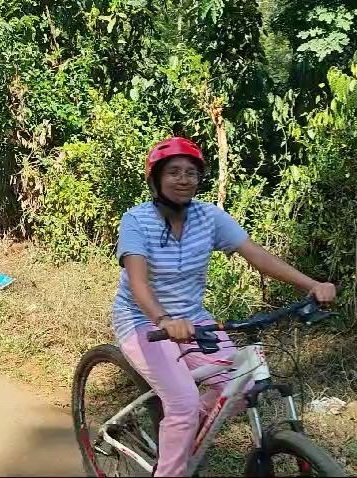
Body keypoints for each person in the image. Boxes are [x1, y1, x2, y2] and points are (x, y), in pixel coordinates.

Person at [113, 136, 336, 477]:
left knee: (243, 388)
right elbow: (139, 282)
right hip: (144, 321)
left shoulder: (209, 217)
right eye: (174, 172)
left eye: (191, 172)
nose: (184, 179)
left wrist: (312, 285)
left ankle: (185, 433)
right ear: (156, 178)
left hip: (195, 319)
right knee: (184, 403)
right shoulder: (136, 220)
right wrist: (164, 319)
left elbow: (259, 256)